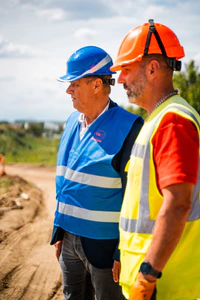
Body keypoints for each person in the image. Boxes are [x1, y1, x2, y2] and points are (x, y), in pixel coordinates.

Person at [110, 19, 200, 300]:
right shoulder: (158, 119)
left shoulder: (172, 121)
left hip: (165, 287)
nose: (120, 79)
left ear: (152, 68)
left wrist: (148, 274)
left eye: (126, 69)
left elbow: (178, 204)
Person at [50, 45, 143, 300]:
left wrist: (122, 252)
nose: (68, 90)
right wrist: (59, 231)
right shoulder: (71, 122)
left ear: (96, 85)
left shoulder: (130, 127)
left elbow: (136, 198)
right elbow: (66, 183)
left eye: (75, 83)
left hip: (105, 248)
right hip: (69, 240)